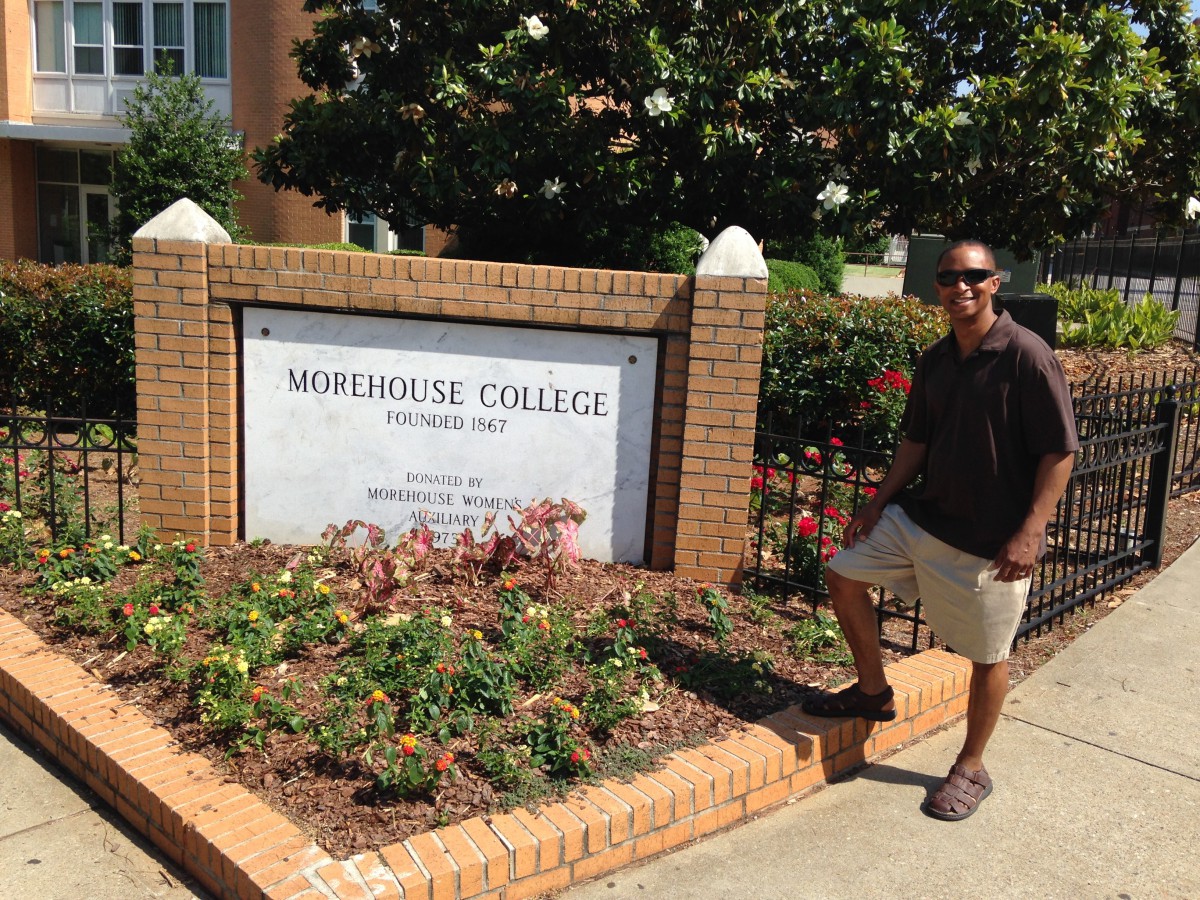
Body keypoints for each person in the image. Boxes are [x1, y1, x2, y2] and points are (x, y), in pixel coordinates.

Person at [801, 239, 1078, 821]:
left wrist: (1031, 531)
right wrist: (879, 502)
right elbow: (916, 441)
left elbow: (1060, 451)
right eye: (949, 277)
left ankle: (972, 766)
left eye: (973, 276)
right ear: (938, 286)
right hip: (923, 518)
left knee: (987, 656)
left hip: (991, 542)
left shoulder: (1028, 356)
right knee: (843, 574)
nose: (961, 286)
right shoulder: (935, 359)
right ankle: (874, 693)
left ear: (995, 281)